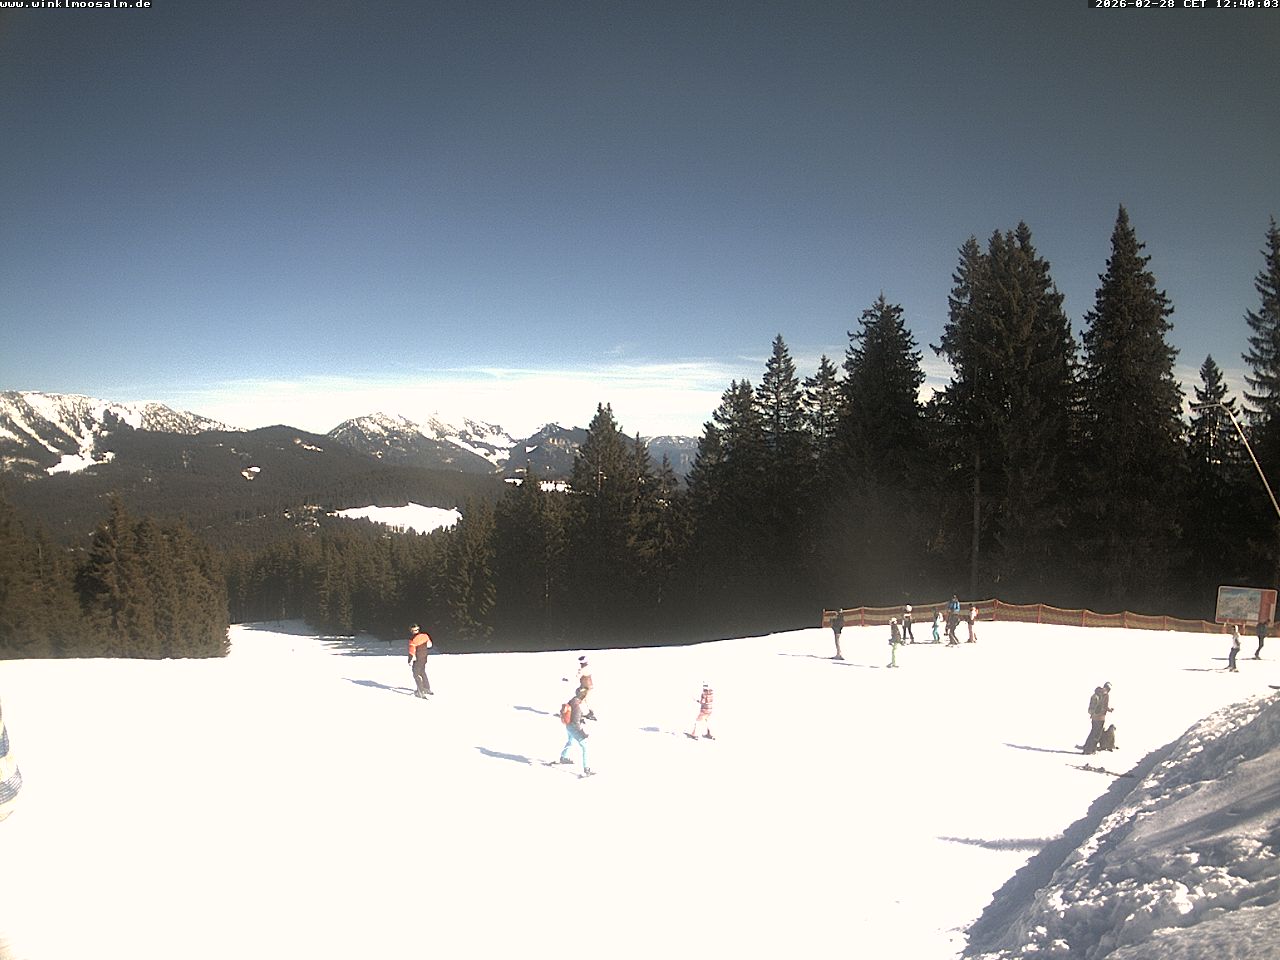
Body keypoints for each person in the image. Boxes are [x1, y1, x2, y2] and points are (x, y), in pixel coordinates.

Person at [557, 687, 591, 775]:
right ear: (582, 696)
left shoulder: (573, 700)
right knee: (585, 747)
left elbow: (572, 713)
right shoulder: (577, 706)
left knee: (570, 741)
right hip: (573, 727)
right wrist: (582, 734)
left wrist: (581, 718)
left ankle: (563, 757)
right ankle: (586, 769)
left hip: (568, 726)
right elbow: (576, 722)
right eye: (585, 695)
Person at [1082, 682, 1112, 754]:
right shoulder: (1102, 695)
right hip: (1099, 718)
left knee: (1095, 733)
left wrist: (1108, 709)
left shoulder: (1101, 694)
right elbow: (1101, 706)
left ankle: (1090, 748)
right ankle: (1089, 750)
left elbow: (1102, 705)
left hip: (1097, 717)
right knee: (1095, 734)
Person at [406, 623, 433, 697]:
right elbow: (429, 645)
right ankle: (427, 688)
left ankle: (420, 691)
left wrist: (410, 660)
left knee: (416, 674)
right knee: (422, 672)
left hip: (417, 658)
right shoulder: (425, 636)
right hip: (424, 657)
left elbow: (412, 651)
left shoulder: (413, 639)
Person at [576, 656, 597, 720]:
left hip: (585, 687)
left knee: (580, 700)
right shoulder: (588, 667)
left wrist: (579, 671)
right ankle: (590, 713)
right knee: (587, 700)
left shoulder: (582, 669)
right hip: (590, 687)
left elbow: (577, 676)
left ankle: (581, 715)